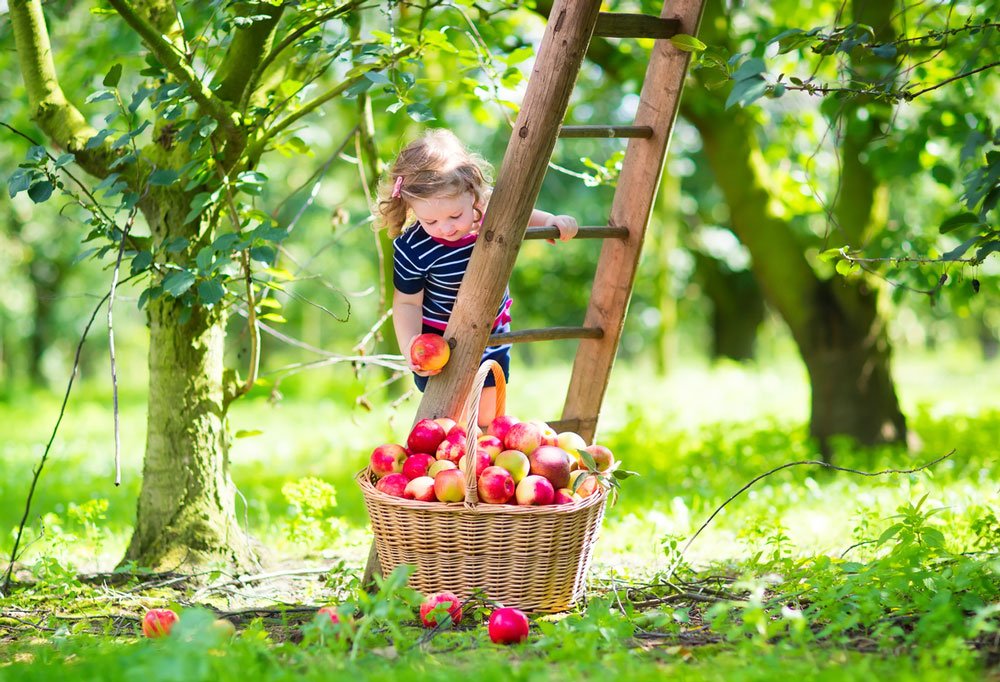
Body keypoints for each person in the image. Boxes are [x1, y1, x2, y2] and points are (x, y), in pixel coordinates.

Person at [377, 129, 578, 426]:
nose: (445, 228)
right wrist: (411, 347)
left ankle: (481, 460)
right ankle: (453, 465)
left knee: (487, 415)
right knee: (448, 417)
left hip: (492, 332)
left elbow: (521, 213)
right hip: (442, 341)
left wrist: (550, 221)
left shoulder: (487, 211)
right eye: (430, 220)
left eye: (454, 215)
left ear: (472, 191)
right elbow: (407, 303)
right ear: (410, 207)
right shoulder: (412, 249)